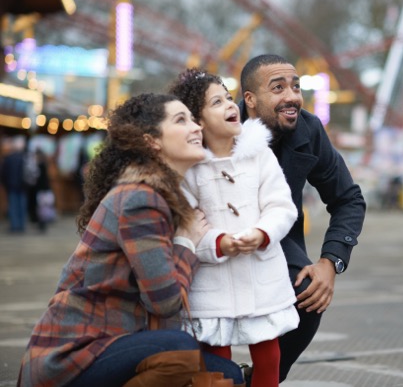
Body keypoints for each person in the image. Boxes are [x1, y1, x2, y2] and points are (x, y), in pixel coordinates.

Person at [17, 93, 244, 386]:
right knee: (177, 350)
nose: (196, 127)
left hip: (116, 343)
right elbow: (164, 302)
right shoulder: (141, 198)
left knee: (229, 375)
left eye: (193, 119)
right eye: (181, 120)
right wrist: (187, 244)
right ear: (152, 141)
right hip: (71, 357)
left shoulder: (163, 196)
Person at [238, 54, 367, 381]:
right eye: (278, 88)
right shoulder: (221, 126)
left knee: (308, 294)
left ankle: (259, 381)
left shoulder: (308, 128)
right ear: (250, 100)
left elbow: (348, 198)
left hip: (278, 240)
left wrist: (330, 262)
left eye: (295, 87)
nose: (292, 96)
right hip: (217, 239)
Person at [169, 69, 299, 387]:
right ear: (197, 121)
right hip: (211, 283)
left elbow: (281, 205)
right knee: (215, 363)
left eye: (229, 97)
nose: (230, 105)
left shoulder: (260, 155)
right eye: (217, 101)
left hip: (262, 275)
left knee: (270, 358)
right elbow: (183, 227)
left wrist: (263, 233)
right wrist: (217, 243)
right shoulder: (189, 168)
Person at [1, 136, 28, 233]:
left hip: (12, 185)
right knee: (21, 206)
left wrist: (6, 184)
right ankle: (21, 225)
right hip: (22, 186)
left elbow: (3, 173)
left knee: (13, 206)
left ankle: (15, 225)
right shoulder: (25, 158)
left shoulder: (8, 159)